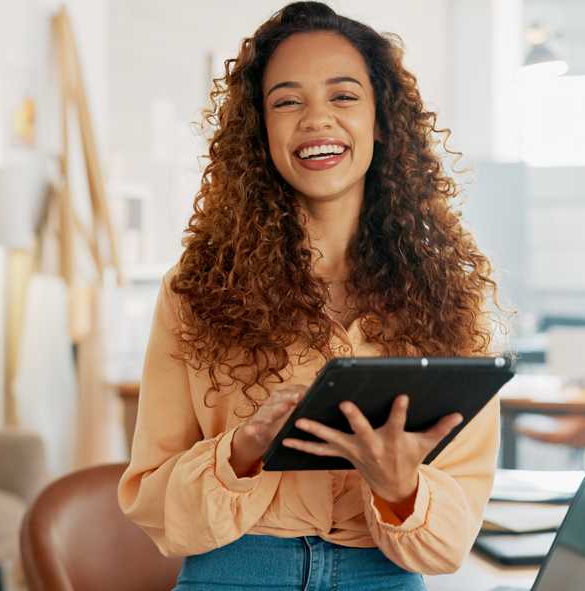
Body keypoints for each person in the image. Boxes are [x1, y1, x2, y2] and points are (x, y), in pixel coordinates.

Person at [118, 3, 503, 589]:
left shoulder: (452, 297)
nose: (316, 120)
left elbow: (451, 540)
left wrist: (399, 487)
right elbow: (152, 502)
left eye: (344, 96)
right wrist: (243, 452)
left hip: (383, 576)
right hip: (236, 571)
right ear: (261, 129)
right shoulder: (194, 291)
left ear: (380, 121)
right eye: (287, 101)